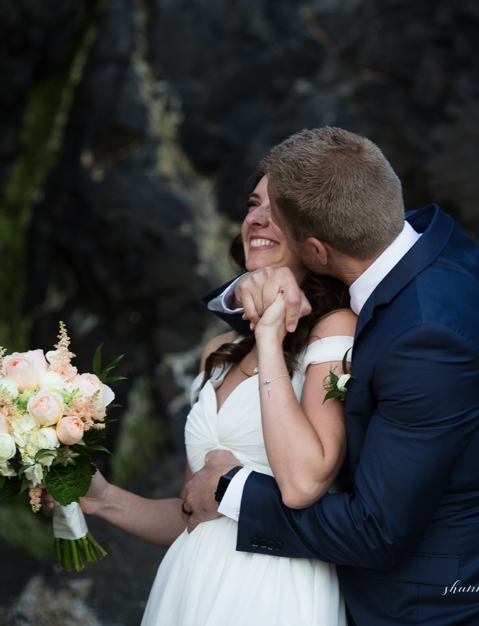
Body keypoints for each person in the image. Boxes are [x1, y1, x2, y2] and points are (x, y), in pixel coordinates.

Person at [185, 127, 479, 625]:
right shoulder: (425, 239)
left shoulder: (428, 343)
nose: (260, 224)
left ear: (316, 250)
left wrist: (230, 490)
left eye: (278, 225)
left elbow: (376, 531)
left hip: (433, 610)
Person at [46, 174, 356, 626]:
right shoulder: (217, 353)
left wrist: (270, 339)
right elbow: (193, 512)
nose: (257, 218)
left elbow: (309, 477)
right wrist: (102, 499)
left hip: (274, 589)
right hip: (188, 582)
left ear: (316, 234)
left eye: (279, 208)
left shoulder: (336, 330)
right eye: (253, 204)